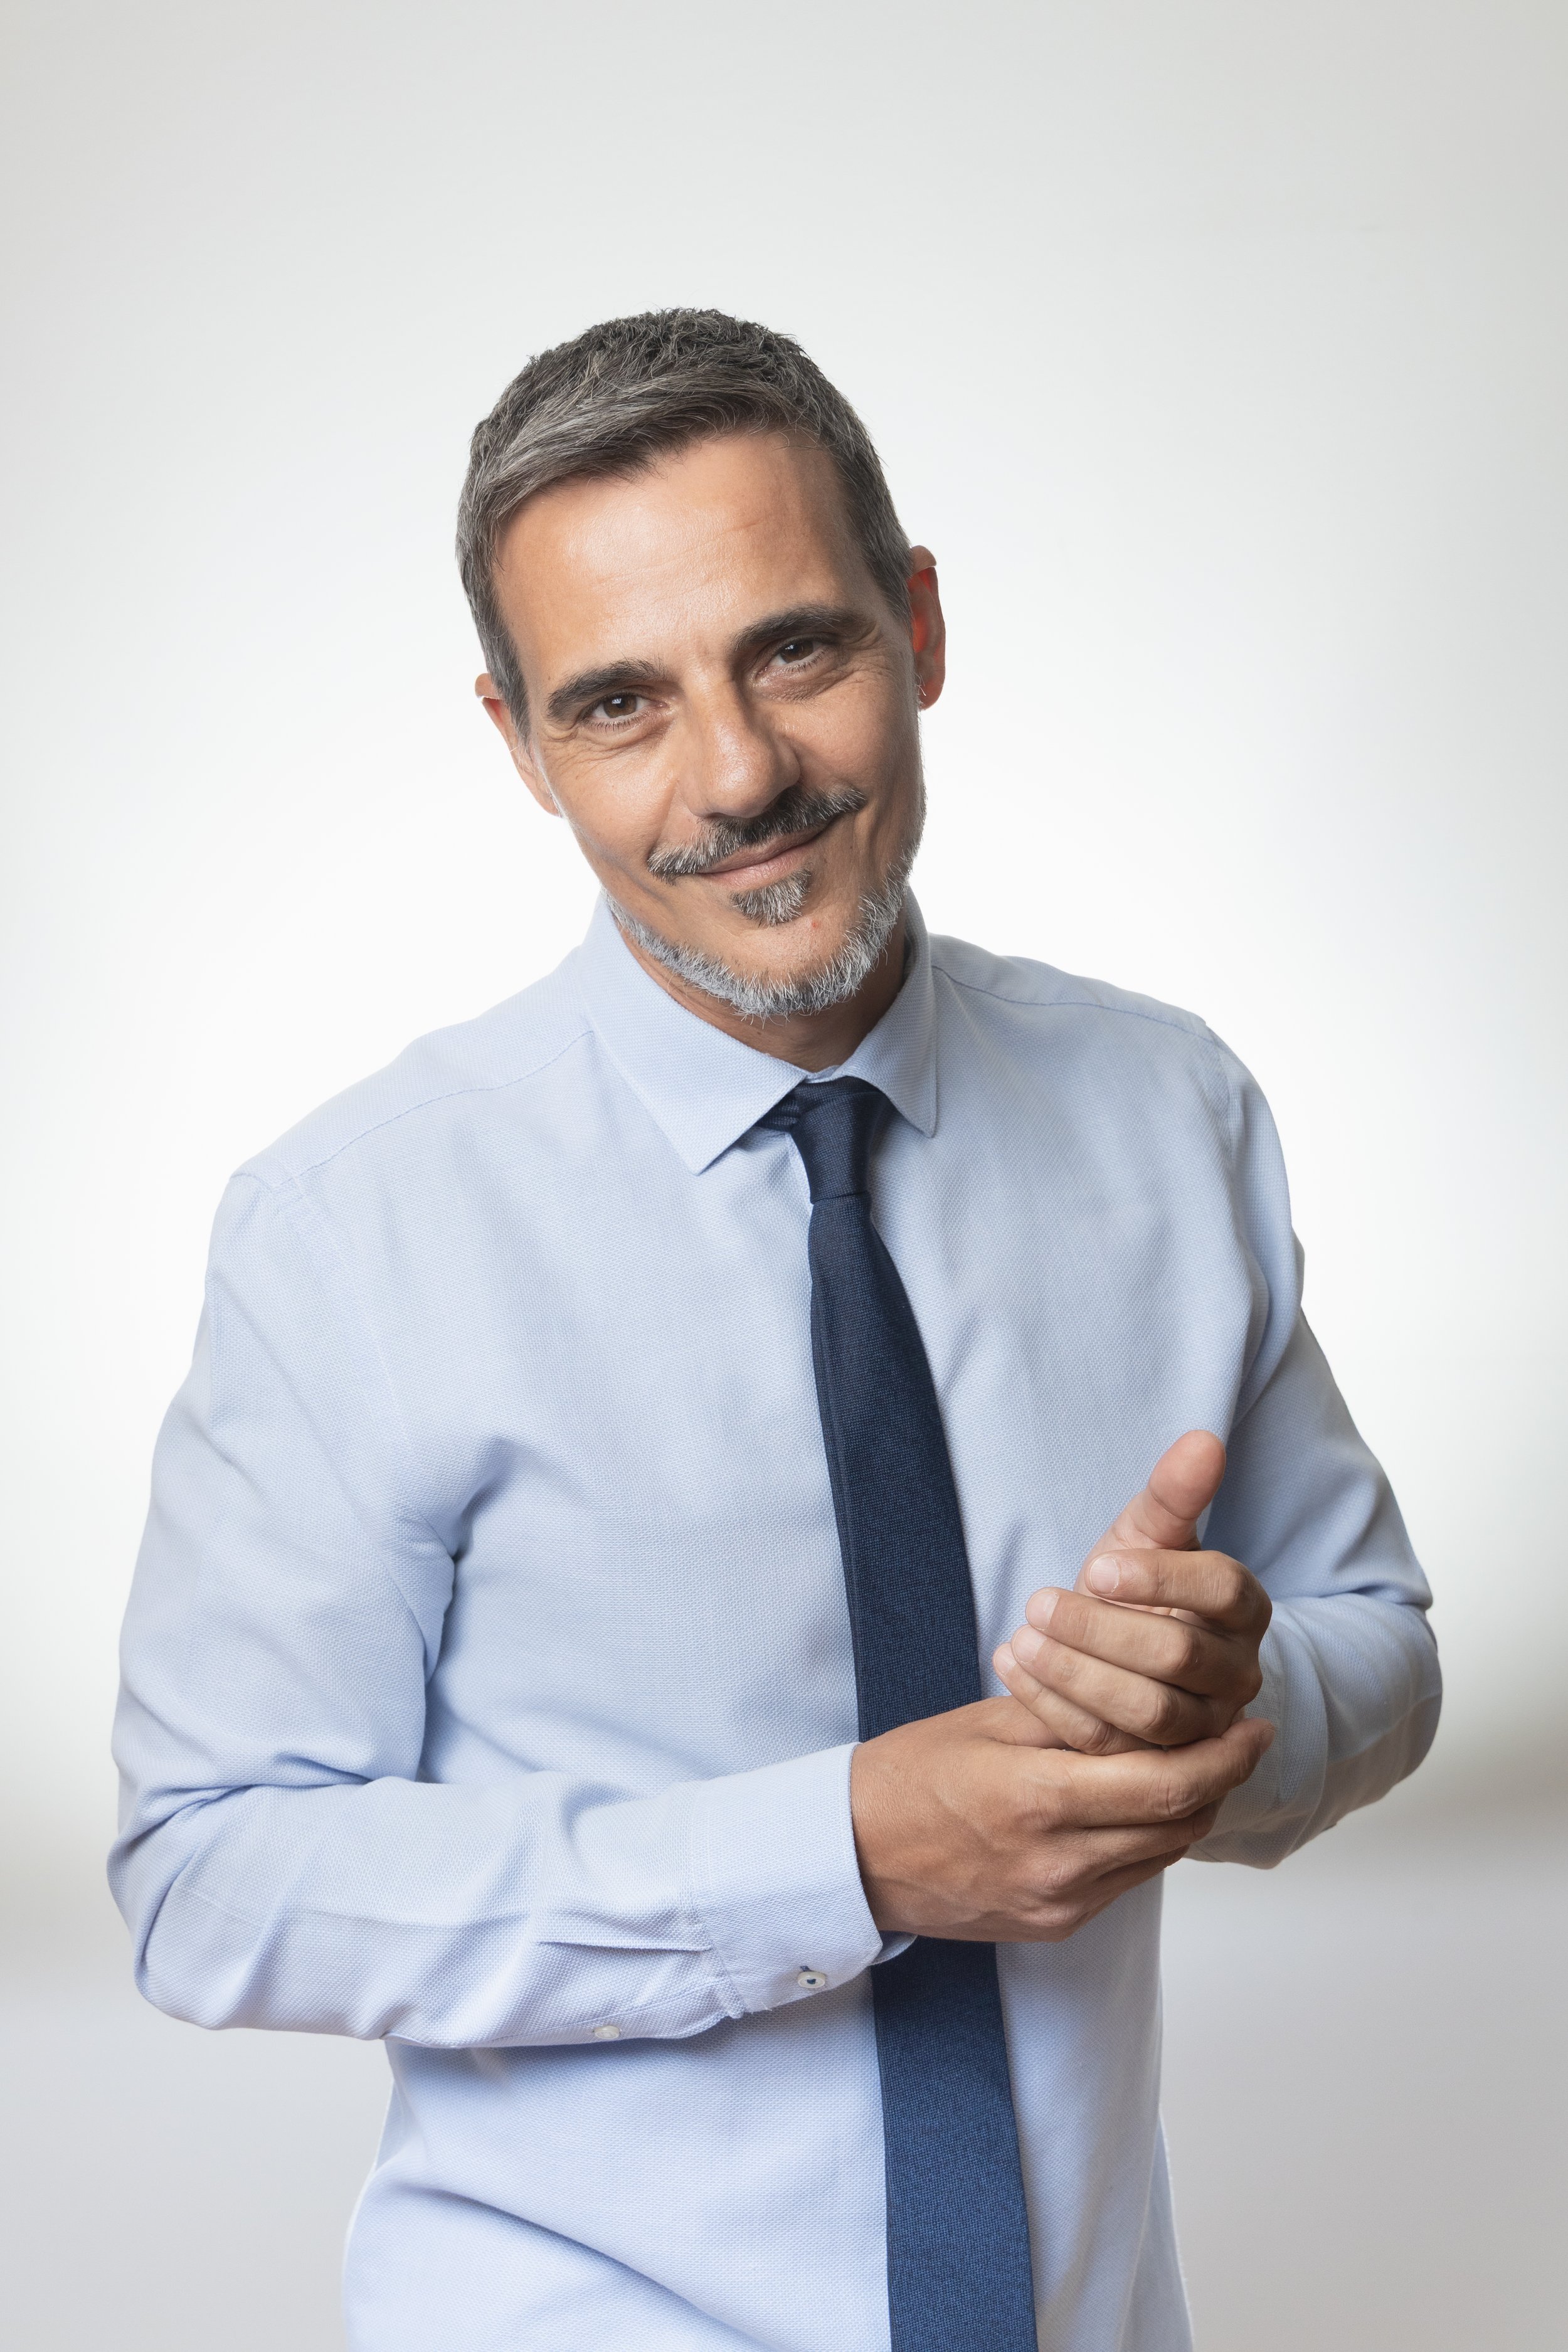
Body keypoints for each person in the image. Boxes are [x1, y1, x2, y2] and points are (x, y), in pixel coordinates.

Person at [110, 310, 1440, 2352]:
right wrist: (841, 1858)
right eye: (618, 703)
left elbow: (1378, 1643)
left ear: (918, 623)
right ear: (519, 745)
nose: (736, 776)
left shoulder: (1165, 1113)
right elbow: (213, 1878)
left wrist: (1220, 1709)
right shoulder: (353, 1231)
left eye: (795, 649)